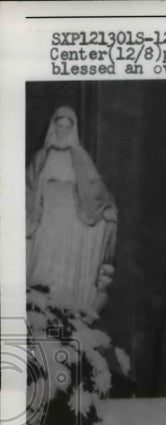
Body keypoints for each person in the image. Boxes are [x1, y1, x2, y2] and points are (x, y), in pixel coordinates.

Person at [26, 106, 117, 313]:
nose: (62, 130)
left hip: (72, 219)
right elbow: (27, 187)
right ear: (53, 127)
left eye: (68, 127)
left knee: (66, 264)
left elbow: (94, 188)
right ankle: (39, 308)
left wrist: (105, 209)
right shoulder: (41, 157)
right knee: (42, 259)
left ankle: (64, 310)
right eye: (59, 126)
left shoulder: (80, 158)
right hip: (45, 216)